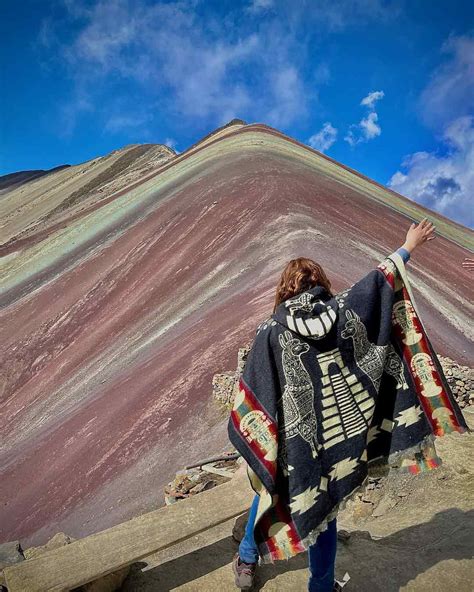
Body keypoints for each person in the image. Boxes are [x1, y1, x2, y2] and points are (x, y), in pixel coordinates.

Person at [232, 218, 436, 591]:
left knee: (267, 487)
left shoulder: (270, 330)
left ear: (285, 288)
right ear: (321, 283)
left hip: (294, 441)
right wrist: (409, 245)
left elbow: (255, 385)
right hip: (338, 442)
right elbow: (379, 281)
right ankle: (321, 587)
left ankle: (247, 558)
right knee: (325, 509)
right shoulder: (343, 310)